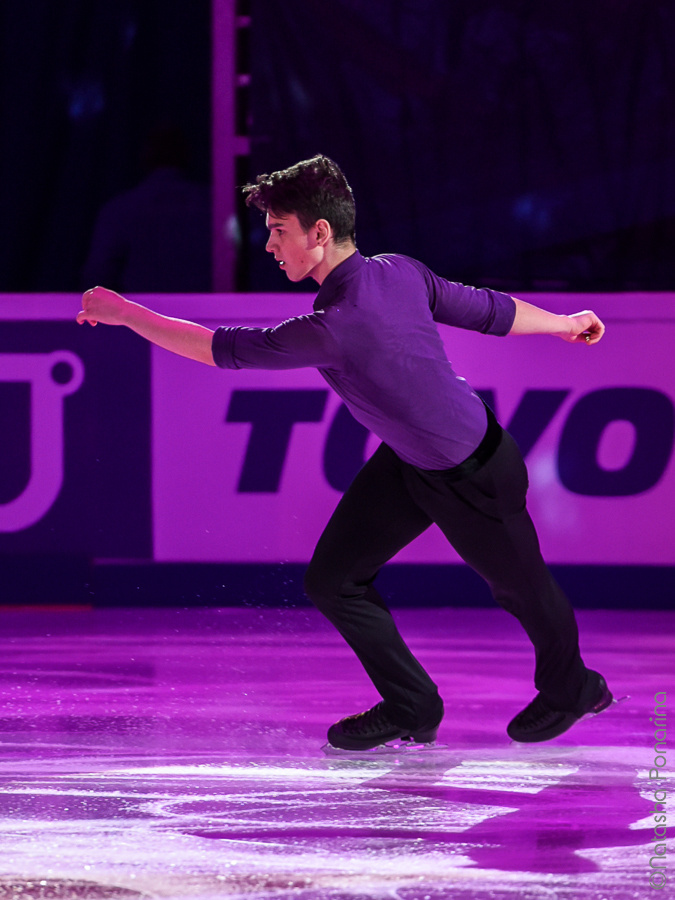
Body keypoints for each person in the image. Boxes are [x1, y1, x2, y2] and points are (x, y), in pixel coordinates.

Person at [77, 154, 613, 751]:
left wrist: (125, 314)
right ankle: (413, 705)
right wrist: (564, 324)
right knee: (334, 580)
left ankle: (575, 689)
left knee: (521, 588)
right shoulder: (397, 272)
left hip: (475, 470)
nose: (270, 245)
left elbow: (216, 349)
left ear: (319, 232)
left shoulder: (335, 323)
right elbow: (488, 309)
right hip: (411, 462)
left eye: (278, 230)